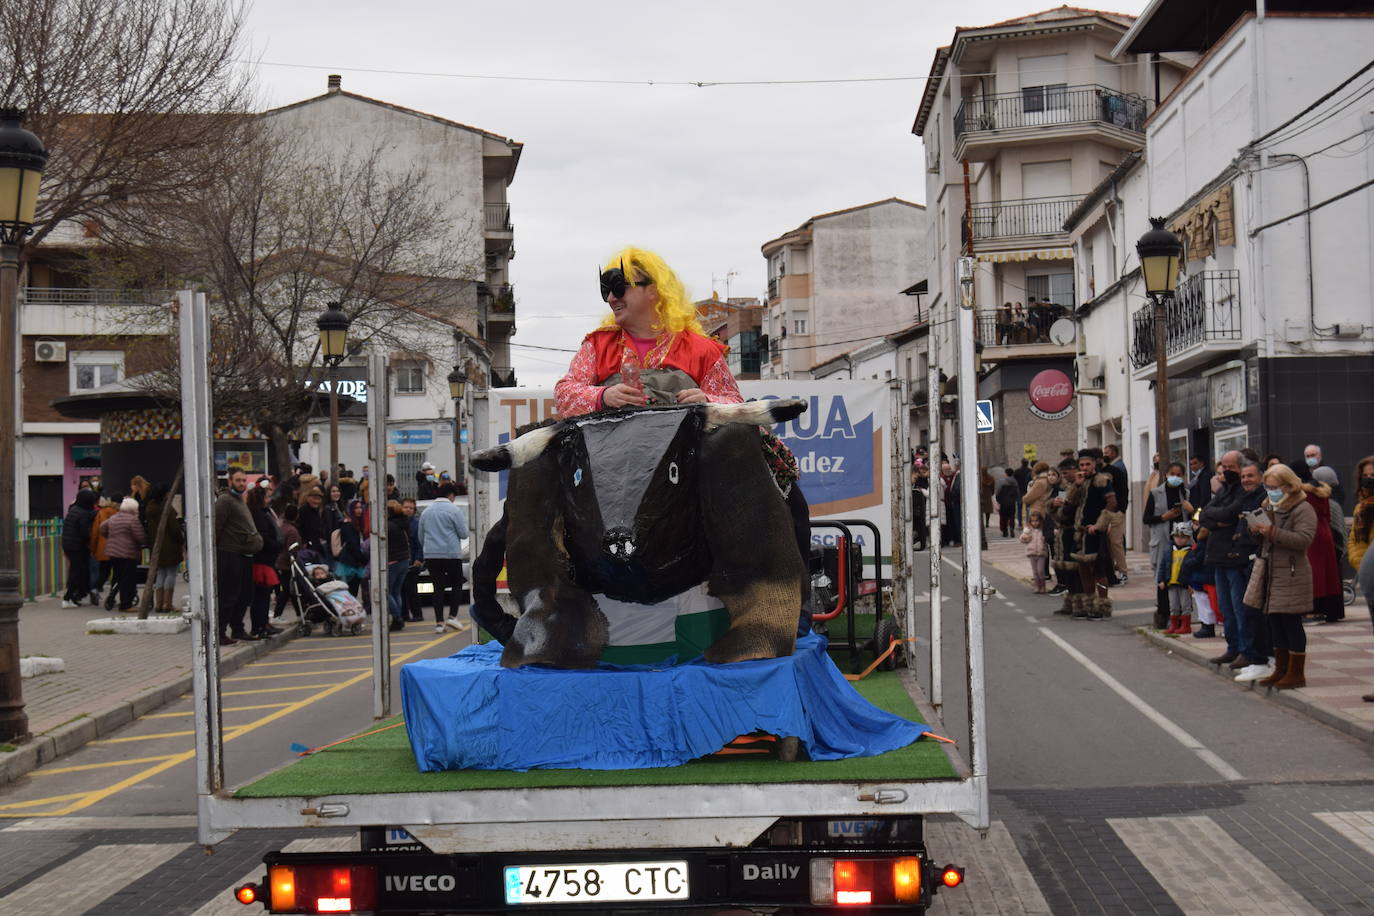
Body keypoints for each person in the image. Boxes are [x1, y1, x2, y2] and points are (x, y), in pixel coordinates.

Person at [554, 245, 814, 630]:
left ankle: (794, 600)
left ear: (653, 290)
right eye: (605, 289)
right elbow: (565, 393)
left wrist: (707, 400)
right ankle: (553, 593)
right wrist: (602, 396)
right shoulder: (597, 345)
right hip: (613, 461)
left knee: (787, 494)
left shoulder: (700, 348)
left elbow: (731, 401)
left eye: (619, 287)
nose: (611, 298)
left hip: (688, 460)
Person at [1244, 464, 1317, 688]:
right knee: (1274, 622)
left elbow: (1304, 539)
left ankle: (1296, 673)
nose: (1271, 491)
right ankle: (1281, 669)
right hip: (1272, 571)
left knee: (1290, 622)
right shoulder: (1268, 505)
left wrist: (1273, 532)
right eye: (1268, 487)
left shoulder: (1302, 508)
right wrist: (1255, 530)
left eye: (1275, 487)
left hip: (1292, 572)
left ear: (1288, 485)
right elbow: (1264, 540)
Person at [1199, 454, 1266, 672]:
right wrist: (1217, 520)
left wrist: (1217, 518)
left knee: (1240, 608)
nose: (1228, 471)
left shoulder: (1244, 492)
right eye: (1224, 467)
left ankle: (1246, 650)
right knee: (1226, 608)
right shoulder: (1224, 490)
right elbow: (1204, 514)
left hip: (1236, 557)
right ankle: (1233, 647)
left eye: (1232, 467)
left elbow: (1230, 513)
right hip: (1218, 556)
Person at [1142, 461, 1194, 631]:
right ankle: (1163, 615)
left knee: (1182, 579)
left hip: (1182, 542)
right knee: (1164, 579)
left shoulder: (1186, 493)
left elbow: (1195, 518)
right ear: (1166, 475)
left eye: (1179, 475)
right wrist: (1164, 517)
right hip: (1163, 541)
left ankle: (1183, 616)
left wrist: (1191, 510)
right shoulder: (1156, 493)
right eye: (1172, 474)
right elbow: (1146, 518)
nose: (1175, 478)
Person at [1066, 449, 1117, 619]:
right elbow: (1070, 503)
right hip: (1080, 532)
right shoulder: (1079, 482)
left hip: (1094, 531)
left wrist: (1099, 525)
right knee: (1083, 569)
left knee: (1098, 570)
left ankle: (1102, 606)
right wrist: (1077, 485)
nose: (1084, 467)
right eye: (1081, 465)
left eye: (1088, 464)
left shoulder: (1102, 480)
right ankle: (1089, 604)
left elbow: (1112, 503)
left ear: (1094, 464)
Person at [215, 466, 263, 644]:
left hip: (244, 554)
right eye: (238, 480)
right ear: (230, 482)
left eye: (244, 480)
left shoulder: (239, 499)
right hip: (230, 554)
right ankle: (220, 632)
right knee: (229, 594)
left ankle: (238, 629)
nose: (242, 483)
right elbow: (216, 527)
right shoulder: (225, 500)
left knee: (244, 595)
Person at [418, 482, 469, 633]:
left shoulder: (426, 512)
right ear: (451, 495)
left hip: (432, 555)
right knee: (457, 584)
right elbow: (464, 534)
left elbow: (421, 536)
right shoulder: (454, 510)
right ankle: (452, 616)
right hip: (451, 554)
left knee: (438, 588)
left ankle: (439, 623)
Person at [1303, 467, 1343, 624]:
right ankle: (1332, 610)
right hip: (1325, 531)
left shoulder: (1305, 493)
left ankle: (1314, 610)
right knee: (1328, 574)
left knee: (1315, 574)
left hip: (1311, 533)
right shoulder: (1323, 492)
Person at [245, 483, 283, 639]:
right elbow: (264, 538)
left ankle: (263, 624)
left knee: (264, 595)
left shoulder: (261, 513)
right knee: (261, 596)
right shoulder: (259, 515)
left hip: (264, 559)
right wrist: (277, 546)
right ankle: (259, 626)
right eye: (267, 497)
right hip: (262, 559)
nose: (269, 500)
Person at [143, 482, 185, 615]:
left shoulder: (150, 508)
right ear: (165, 494)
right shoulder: (166, 509)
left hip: (156, 546)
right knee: (171, 573)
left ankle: (159, 604)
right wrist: (181, 540)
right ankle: (167, 604)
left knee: (161, 573)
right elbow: (174, 529)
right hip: (170, 545)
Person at [100, 497, 146, 611]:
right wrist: (144, 543)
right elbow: (140, 537)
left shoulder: (113, 518)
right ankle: (126, 604)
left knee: (118, 577)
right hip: (128, 553)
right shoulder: (132, 520)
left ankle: (113, 597)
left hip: (113, 553)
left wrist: (111, 537)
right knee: (128, 579)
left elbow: (102, 528)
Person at [60, 489, 99, 608]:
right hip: (77, 546)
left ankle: (75, 596)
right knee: (76, 572)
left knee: (77, 571)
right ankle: (67, 598)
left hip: (68, 545)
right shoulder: (83, 514)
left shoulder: (74, 509)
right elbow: (84, 533)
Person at [1156, 522, 1196, 635]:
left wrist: (1192, 584)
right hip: (1171, 583)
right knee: (1173, 606)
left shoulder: (1191, 552)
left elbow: (1192, 570)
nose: (1179, 539)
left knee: (1185, 605)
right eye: (1177, 536)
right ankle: (1173, 625)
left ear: (1188, 538)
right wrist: (1161, 580)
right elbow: (1163, 566)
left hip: (1184, 584)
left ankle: (1186, 625)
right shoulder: (1169, 551)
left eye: (1183, 537)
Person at [1099, 445, 1130, 583]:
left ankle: (1123, 571)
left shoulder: (1117, 470)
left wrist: (1121, 509)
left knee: (1115, 542)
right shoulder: (1098, 473)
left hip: (1116, 512)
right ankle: (1110, 572)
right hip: (1103, 512)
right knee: (1106, 544)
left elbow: (1123, 490)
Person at [334, 499, 371, 606]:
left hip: (356, 561)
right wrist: (363, 559)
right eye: (356, 508)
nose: (359, 510)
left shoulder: (358, 524)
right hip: (350, 562)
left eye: (360, 508)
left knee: (353, 590)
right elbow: (352, 545)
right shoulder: (348, 525)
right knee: (350, 590)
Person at [384, 499, 411, 632]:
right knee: (396, 591)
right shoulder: (402, 523)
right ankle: (397, 618)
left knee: (386, 591)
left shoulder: (388, 526)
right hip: (404, 560)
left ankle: (397, 617)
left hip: (393, 561)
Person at [88, 494, 118, 608]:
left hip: (103, 548)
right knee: (117, 573)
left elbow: (95, 532)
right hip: (118, 548)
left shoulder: (101, 512)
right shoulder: (119, 513)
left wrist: (93, 548)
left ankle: (95, 588)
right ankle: (112, 596)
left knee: (104, 571)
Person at [402, 497, 425, 621]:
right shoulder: (399, 522)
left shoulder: (416, 524)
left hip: (412, 563)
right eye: (406, 507)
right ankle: (404, 614)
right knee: (401, 590)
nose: (408, 510)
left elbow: (420, 543)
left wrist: (419, 559)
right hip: (401, 560)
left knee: (412, 590)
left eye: (411, 508)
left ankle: (417, 614)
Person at [1020, 510, 1049, 593]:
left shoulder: (1043, 530)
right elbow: (1022, 539)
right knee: (1035, 571)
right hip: (1032, 553)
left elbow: (1049, 538)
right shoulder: (1028, 530)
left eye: (1036, 520)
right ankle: (1037, 586)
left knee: (1041, 571)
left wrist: (1045, 539)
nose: (1035, 523)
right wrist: (1025, 538)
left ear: (1040, 521)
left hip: (1041, 553)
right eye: (1032, 521)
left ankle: (1043, 586)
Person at [995, 468, 1019, 538]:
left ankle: (1005, 532)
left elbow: (998, 492)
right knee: (1012, 516)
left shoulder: (1001, 481)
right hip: (1011, 502)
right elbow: (1017, 493)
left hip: (1003, 502)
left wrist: (998, 500)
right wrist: (1015, 499)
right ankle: (1011, 528)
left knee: (1004, 517)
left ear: (1006, 473)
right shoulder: (1015, 482)